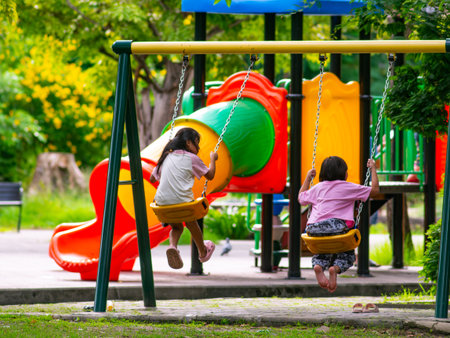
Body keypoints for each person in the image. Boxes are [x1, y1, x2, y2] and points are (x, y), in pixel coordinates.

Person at [298, 156, 379, 292]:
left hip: (313, 229)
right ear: (345, 174)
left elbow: (301, 198)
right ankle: (334, 269)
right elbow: (375, 191)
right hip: (337, 227)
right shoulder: (348, 187)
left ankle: (318, 265)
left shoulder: (318, 188)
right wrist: (373, 169)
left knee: (321, 249)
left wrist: (308, 178)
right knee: (347, 254)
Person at [150, 127, 218, 269]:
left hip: (161, 206)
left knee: (177, 226)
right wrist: (213, 159)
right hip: (183, 204)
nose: (198, 147)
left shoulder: (166, 157)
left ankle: (173, 246)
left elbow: (151, 178)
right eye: (196, 143)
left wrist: (162, 163)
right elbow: (210, 175)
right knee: (192, 222)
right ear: (188, 142)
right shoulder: (192, 158)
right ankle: (203, 251)